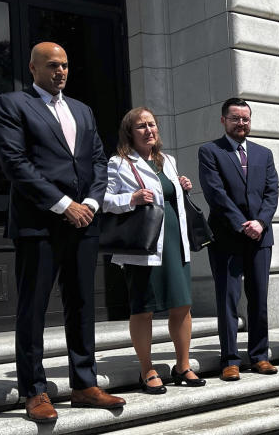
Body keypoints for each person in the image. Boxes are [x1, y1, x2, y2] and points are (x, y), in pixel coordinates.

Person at [0, 42, 125, 423]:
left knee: (82, 305)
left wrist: (93, 205)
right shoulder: (12, 104)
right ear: (33, 69)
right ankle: (34, 390)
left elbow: (99, 161)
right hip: (39, 224)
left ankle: (84, 384)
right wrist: (66, 205)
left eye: (65, 65)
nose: (61, 72)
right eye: (52, 65)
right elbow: (15, 163)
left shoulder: (81, 110)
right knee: (32, 309)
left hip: (85, 224)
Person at [103, 107, 206, 394]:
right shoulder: (118, 163)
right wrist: (131, 198)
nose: (149, 130)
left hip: (175, 240)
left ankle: (182, 365)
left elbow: (170, 196)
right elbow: (103, 200)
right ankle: (146, 369)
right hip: (145, 245)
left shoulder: (167, 161)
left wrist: (182, 186)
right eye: (141, 126)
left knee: (182, 305)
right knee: (143, 308)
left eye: (152, 125)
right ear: (129, 132)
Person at [198, 97, 279, 381]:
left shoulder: (263, 153)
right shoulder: (210, 151)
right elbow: (215, 193)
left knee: (259, 298)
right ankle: (230, 359)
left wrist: (260, 222)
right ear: (224, 120)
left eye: (245, 118)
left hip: (260, 237)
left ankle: (260, 356)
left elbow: (272, 193)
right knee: (228, 299)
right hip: (227, 237)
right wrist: (241, 224)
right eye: (235, 118)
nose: (241, 123)